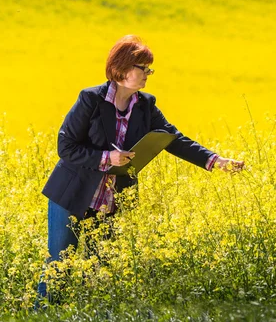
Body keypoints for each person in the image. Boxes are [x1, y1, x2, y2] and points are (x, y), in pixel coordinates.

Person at [34, 35, 244, 306]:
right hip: (73, 193)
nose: (147, 74)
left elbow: (173, 138)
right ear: (121, 69)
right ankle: (43, 312)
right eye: (142, 68)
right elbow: (66, 146)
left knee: (100, 270)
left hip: (111, 200)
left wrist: (215, 161)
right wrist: (106, 156)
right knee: (59, 266)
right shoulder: (91, 99)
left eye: (148, 69)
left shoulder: (145, 105)